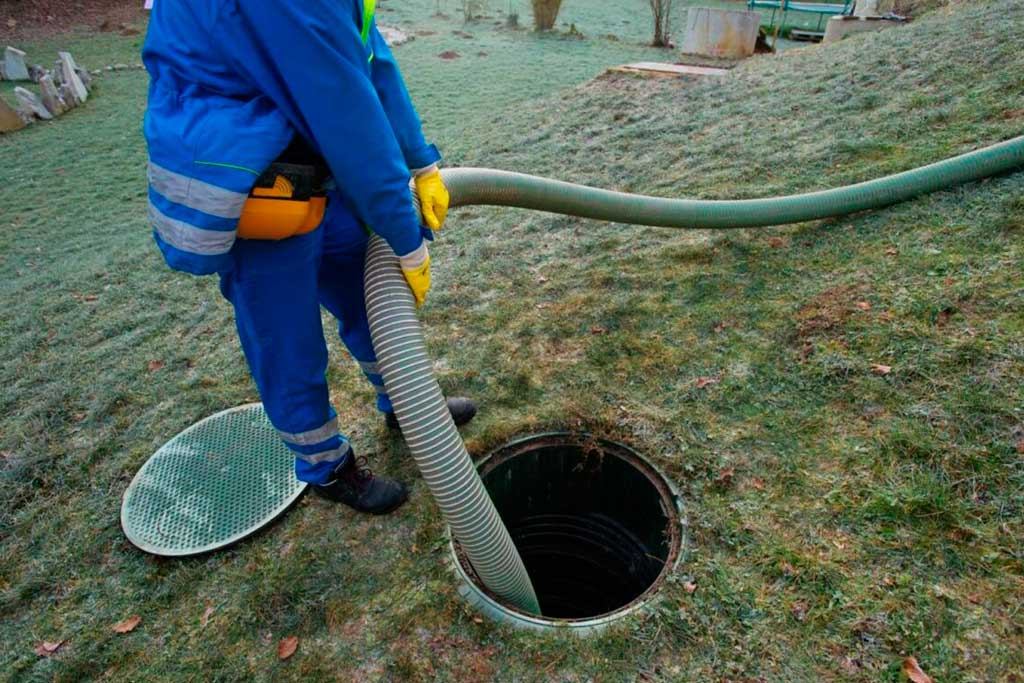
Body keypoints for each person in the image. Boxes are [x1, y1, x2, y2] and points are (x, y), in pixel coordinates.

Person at [141, 0, 476, 515]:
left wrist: (422, 160)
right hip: (251, 180)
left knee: (367, 296)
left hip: (307, 155)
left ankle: (406, 404)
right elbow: (345, 111)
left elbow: (367, 57)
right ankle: (326, 467)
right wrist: (405, 240)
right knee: (287, 339)